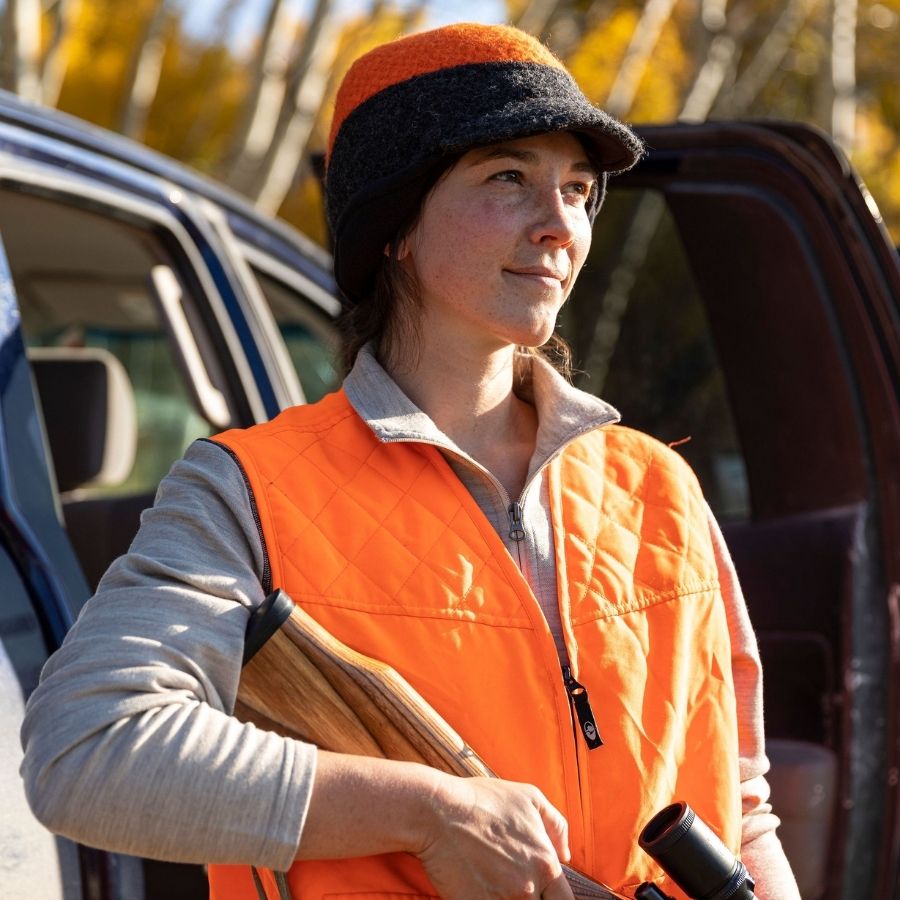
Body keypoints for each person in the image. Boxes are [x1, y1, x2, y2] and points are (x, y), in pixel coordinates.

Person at [21, 22, 800, 900]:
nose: (561, 224)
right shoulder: (248, 493)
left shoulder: (659, 486)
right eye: (509, 178)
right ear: (392, 227)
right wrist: (428, 812)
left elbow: (742, 804)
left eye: (578, 189)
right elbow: (87, 747)